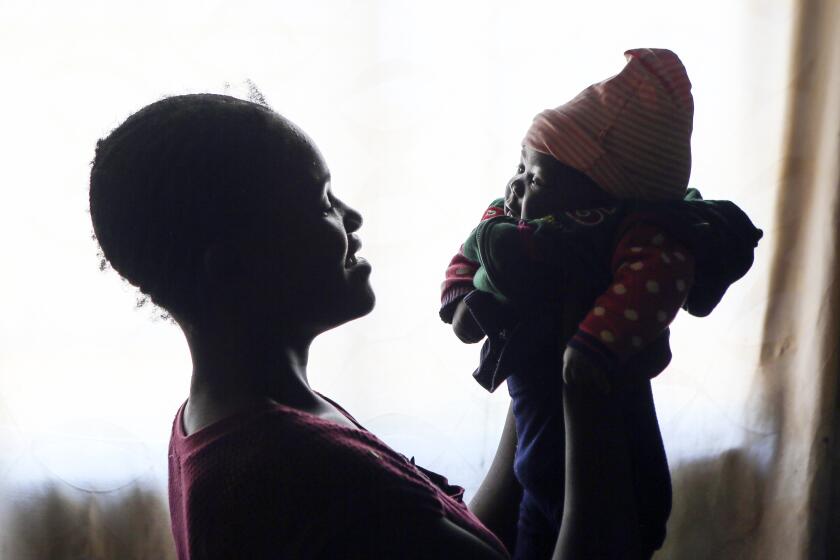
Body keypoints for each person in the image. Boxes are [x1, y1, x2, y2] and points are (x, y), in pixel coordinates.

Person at [88, 93, 512, 559]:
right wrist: (587, 419)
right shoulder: (300, 468)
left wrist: (529, 381)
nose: (352, 217)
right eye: (322, 202)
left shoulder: (229, 424)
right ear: (235, 266)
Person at [440, 49, 762, 559]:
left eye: (537, 176)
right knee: (532, 526)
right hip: (535, 461)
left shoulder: (625, 234)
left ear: (598, 199)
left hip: (608, 462)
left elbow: (656, 275)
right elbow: (472, 246)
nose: (516, 184)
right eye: (519, 166)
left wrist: (593, 346)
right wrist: (464, 299)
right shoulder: (513, 226)